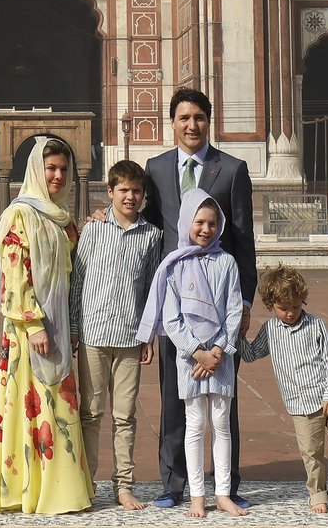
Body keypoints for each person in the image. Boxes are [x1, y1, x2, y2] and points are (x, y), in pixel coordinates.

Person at [140, 88, 257, 510]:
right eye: (184, 117)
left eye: (200, 118)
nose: (192, 125)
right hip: (178, 302)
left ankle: (227, 483)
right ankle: (175, 483)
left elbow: (244, 239)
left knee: (224, 399)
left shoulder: (231, 169)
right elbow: (145, 225)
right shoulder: (155, 169)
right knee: (175, 395)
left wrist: (245, 303)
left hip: (221, 298)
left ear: (209, 121)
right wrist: (104, 215)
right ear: (172, 122)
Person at [0, 135, 93, 516]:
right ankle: (37, 491)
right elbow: (15, 272)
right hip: (28, 328)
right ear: (36, 169)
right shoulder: (20, 214)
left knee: (59, 404)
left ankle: (59, 489)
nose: (59, 176)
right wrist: (33, 324)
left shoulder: (61, 217)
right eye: (51, 168)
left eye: (64, 169)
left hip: (59, 326)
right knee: (34, 405)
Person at [137, 190, 244, 520]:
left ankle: (223, 493)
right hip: (190, 359)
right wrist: (198, 352)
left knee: (221, 424)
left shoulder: (227, 262)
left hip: (220, 358)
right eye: (199, 222)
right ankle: (198, 495)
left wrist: (217, 351)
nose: (206, 229)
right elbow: (171, 318)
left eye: (212, 223)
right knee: (195, 425)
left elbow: (234, 310)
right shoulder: (175, 265)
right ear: (187, 223)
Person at [70, 160, 162, 510]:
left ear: (143, 195)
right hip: (93, 333)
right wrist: (75, 329)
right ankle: (87, 482)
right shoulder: (92, 230)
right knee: (90, 413)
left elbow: (152, 290)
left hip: (129, 336)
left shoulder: (151, 236)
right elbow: (77, 281)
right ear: (110, 192)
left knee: (125, 417)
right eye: (123, 190)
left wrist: (148, 336)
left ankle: (123, 485)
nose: (130, 196)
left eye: (136, 191)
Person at [240, 265, 328, 514]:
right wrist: (238, 336)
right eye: (283, 308)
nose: (290, 313)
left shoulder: (315, 324)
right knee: (311, 452)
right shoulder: (271, 330)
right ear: (271, 305)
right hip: (299, 402)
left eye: (295, 306)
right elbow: (252, 355)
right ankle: (318, 494)